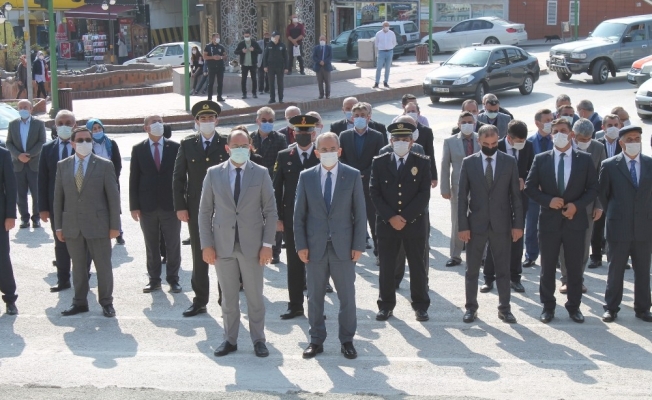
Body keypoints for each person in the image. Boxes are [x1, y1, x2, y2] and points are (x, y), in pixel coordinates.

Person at [198, 128, 277, 358]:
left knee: (255, 297)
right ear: (227, 148)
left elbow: (270, 212)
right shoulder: (213, 173)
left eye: (244, 146)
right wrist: (206, 244)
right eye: (236, 146)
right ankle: (230, 340)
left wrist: (267, 245)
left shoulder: (260, 173)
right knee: (229, 298)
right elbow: (204, 212)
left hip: (253, 246)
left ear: (250, 147)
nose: (240, 150)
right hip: (222, 245)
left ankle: (258, 340)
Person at [294, 132, 366, 359]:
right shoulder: (306, 177)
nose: (328, 153)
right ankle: (316, 340)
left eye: (332, 149)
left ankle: (347, 340)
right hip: (314, 247)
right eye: (324, 150)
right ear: (316, 153)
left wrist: (358, 245)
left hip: (343, 247)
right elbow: (299, 215)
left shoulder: (352, 175)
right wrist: (300, 245)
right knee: (314, 297)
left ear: (339, 151)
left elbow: (360, 213)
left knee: (347, 297)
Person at [524, 118, 599, 324]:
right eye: (555, 131)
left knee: (574, 268)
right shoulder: (541, 159)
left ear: (571, 134)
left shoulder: (584, 159)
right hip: (549, 223)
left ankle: (574, 307)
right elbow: (530, 187)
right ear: (551, 135)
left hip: (575, 222)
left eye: (563, 130)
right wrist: (548, 201)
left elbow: (593, 188)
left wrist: (577, 205)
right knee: (547, 267)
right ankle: (548, 307)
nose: (559, 134)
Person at [458, 125, 523, 324]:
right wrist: (463, 226)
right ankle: (471, 308)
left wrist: (518, 225)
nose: (491, 147)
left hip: (502, 225)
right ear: (479, 142)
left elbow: (516, 196)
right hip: (475, 225)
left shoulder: (509, 162)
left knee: (503, 270)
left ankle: (505, 309)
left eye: (494, 143)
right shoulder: (469, 163)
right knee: (472, 270)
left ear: (499, 140)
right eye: (486, 143)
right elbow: (462, 197)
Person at [54, 127, 121, 318]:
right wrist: (59, 226)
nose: (84, 143)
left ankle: (106, 302)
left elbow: (113, 198)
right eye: (80, 140)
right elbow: (58, 198)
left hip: (99, 225)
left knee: (103, 266)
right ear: (72, 143)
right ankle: (80, 302)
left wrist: (115, 226)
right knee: (78, 267)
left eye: (87, 140)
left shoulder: (104, 165)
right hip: (73, 226)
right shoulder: (63, 165)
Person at [370, 122, 432, 321]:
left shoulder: (421, 162)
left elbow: (424, 194)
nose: (401, 142)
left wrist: (405, 217)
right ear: (391, 141)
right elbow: (374, 192)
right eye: (397, 139)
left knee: (417, 265)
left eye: (405, 139)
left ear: (412, 142)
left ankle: (420, 305)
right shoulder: (379, 162)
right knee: (387, 266)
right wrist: (391, 217)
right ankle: (386, 305)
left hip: (414, 223)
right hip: (387, 224)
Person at [173, 100, 229, 317]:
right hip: (196, 207)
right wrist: (180, 206)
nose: (207, 121)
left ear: (217, 120)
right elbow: (178, 177)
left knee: (224, 254)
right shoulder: (187, 144)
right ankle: (200, 300)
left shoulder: (226, 142)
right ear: (196, 121)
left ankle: (226, 300)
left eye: (210, 118)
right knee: (199, 253)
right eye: (202, 118)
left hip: (223, 207)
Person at [599, 125, 652, 323]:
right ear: (621, 143)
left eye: (637, 138)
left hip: (644, 227)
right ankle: (611, 308)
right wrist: (617, 213)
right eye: (629, 139)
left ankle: (643, 308)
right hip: (618, 227)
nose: (633, 142)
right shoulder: (609, 165)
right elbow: (603, 195)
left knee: (643, 270)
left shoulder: (649, 163)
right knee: (615, 270)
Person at [274, 115, 321, 319]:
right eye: (299, 132)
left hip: (317, 218)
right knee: (294, 263)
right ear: (293, 133)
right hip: (292, 218)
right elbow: (277, 188)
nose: (303, 135)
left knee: (316, 265)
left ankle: (316, 306)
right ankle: (295, 305)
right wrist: (277, 217)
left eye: (307, 132)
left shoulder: (321, 155)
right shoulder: (284, 155)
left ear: (313, 133)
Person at [38, 110, 91, 293]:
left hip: (81, 204)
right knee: (60, 242)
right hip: (57, 205)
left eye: (68, 123)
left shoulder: (84, 146)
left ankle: (84, 276)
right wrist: (43, 208)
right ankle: (63, 279)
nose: (64, 126)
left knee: (83, 241)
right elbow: (42, 180)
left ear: (75, 125)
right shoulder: (47, 149)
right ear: (55, 125)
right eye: (60, 123)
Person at [129, 115, 182, 294]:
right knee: (151, 244)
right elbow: (134, 178)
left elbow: (181, 177)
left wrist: (182, 203)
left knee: (173, 244)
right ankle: (154, 280)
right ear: (146, 128)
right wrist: (134, 206)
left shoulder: (175, 147)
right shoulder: (138, 149)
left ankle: (173, 279)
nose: (158, 124)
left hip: (171, 205)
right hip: (147, 206)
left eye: (160, 121)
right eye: (154, 122)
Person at [482, 120, 534, 294]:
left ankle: (515, 277)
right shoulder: (496, 146)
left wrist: (524, 179)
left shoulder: (528, 147)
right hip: (498, 201)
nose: (521, 143)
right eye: (518, 140)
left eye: (523, 140)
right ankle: (489, 278)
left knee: (517, 238)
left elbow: (532, 169)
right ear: (509, 138)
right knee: (494, 239)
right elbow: (487, 170)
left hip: (520, 200)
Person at [558, 118, 605, 294]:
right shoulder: (563, 146)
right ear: (573, 135)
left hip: (588, 206)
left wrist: (599, 205)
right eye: (581, 139)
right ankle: (566, 279)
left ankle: (578, 279)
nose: (585, 142)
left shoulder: (598, 148)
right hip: (565, 204)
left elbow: (602, 179)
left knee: (584, 245)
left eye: (588, 139)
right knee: (564, 244)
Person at [339, 102, 385, 264]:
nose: (359, 118)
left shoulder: (377, 136)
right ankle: (349, 253)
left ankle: (379, 253)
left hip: (369, 183)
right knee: (349, 220)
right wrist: (352, 173)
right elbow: (341, 158)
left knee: (374, 219)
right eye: (357, 116)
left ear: (368, 117)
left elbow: (379, 159)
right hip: (349, 184)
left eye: (363, 116)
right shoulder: (344, 136)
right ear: (352, 118)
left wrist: (365, 173)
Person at [441, 111, 480, 267]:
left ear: (474, 123)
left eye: (470, 122)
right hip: (458, 187)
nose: (467, 125)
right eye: (464, 122)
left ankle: (481, 255)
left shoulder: (481, 138)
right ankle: (455, 255)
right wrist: (445, 188)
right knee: (457, 221)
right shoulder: (450, 141)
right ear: (458, 124)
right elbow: (445, 165)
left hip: (479, 187)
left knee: (479, 221)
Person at [251, 106, 288, 264]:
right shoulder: (250, 138)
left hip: (273, 181)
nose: (267, 123)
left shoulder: (280, 138)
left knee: (274, 215)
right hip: (253, 182)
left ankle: (275, 251)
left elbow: (282, 161)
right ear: (257, 121)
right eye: (264, 120)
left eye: (270, 120)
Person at [6, 100, 46, 229]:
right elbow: (9, 143)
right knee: (20, 194)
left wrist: (29, 155)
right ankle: (24, 218)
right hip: (18, 164)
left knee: (36, 193)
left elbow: (42, 142)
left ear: (31, 109)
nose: (23, 109)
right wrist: (18, 155)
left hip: (34, 164)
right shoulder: (12, 124)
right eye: (20, 107)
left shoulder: (39, 124)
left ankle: (36, 218)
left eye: (26, 107)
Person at [523, 108, 555, 268]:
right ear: (537, 123)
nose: (550, 123)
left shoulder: (557, 141)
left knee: (553, 227)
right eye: (547, 120)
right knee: (531, 226)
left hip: (553, 191)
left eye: (552, 119)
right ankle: (531, 255)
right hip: (535, 192)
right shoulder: (529, 142)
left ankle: (554, 257)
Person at [590, 114, 622, 269]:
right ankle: (596, 256)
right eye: (610, 125)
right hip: (601, 190)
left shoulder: (624, 144)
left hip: (619, 191)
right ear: (603, 127)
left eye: (616, 125)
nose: (613, 128)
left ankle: (617, 256)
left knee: (619, 226)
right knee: (598, 225)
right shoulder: (597, 145)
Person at [87, 118, 124, 245]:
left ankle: (119, 233)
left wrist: (113, 177)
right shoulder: (88, 145)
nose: (97, 131)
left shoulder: (111, 143)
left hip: (111, 179)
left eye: (99, 128)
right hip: (94, 181)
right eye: (94, 129)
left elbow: (118, 162)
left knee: (114, 206)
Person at [0, 143, 17, 315]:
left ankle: (10, 298)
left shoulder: (3, 154)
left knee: (2, 258)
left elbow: (11, 187)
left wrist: (10, 215)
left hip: (0, 217)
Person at [234, 29, 262, 99]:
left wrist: (254, 50)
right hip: (244, 64)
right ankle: (244, 93)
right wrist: (242, 51)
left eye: (248, 36)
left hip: (253, 64)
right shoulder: (241, 43)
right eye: (245, 36)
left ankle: (254, 93)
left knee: (254, 79)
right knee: (243, 79)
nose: (247, 37)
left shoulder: (254, 43)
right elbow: (236, 52)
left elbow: (260, 51)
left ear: (250, 36)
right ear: (243, 36)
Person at [263, 31, 288, 104]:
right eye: (273, 37)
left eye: (276, 37)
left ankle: (281, 98)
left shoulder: (282, 45)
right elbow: (265, 56)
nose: (275, 38)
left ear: (278, 37)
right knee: (271, 83)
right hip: (270, 67)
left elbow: (286, 57)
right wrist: (265, 66)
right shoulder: (269, 45)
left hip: (280, 67)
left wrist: (286, 67)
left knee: (280, 83)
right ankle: (272, 98)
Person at [203, 33, 227, 102]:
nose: (217, 39)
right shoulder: (208, 46)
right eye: (216, 37)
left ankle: (219, 97)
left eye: (218, 37)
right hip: (211, 67)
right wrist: (212, 57)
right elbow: (204, 56)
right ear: (212, 38)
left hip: (220, 67)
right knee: (211, 82)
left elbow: (225, 56)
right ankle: (209, 98)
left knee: (220, 82)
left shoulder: (221, 47)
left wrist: (221, 57)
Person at [373, 21, 396, 89]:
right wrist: (382, 48)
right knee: (379, 68)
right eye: (385, 25)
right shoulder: (378, 33)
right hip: (381, 52)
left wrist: (389, 47)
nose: (387, 27)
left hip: (389, 52)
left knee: (387, 68)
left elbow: (394, 43)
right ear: (382, 26)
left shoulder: (392, 33)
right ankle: (376, 82)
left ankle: (385, 82)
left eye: (388, 25)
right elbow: (376, 43)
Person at [312, 35, 333, 99]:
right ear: (319, 40)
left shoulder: (329, 48)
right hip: (318, 67)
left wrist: (324, 62)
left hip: (326, 67)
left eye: (323, 39)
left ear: (326, 40)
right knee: (320, 82)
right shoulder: (316, 48)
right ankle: (321, 94)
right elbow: (314, 57)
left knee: (327, 82)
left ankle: (327, 94)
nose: (322, 41)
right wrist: (319, 61)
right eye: (321, 39)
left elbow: (330, 57)